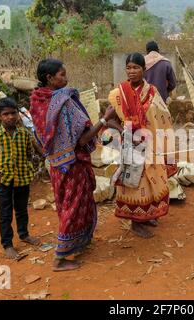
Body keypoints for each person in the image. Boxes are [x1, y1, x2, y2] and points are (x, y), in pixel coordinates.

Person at [30, 59, 119, 272]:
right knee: (74, 206)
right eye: (61, 74)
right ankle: (60, 258)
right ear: (49, 78)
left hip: (56, 164)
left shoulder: (37, 100)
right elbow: (81, 139)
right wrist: (105, 120)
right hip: (72, 164)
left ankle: (78, 242)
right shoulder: (64, 101)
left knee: (66, 204)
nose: (66, 78)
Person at [108, 53, 177, 239]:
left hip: (151, 144)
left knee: (151, 180)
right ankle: (135, 222)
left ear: (144, 69)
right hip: (131, 145)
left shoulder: (152, 92)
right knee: (134, 183)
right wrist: (127, 132)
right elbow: (110, 120)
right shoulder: (119, 94)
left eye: (135, 68)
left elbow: (164, 117)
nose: (131, 72)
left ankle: (147, 215)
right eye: (128, 68)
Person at [0, 97, 41, 260]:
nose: (10, 117)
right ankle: (7, 245)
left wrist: (32, 166)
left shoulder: (24, 134)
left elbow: (31, 153)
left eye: (13, 113)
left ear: (18, 114)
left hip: (23, 179)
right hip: (5, 182)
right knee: (5, 213)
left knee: (22, 209)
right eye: (6, 114)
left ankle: (24, 234)